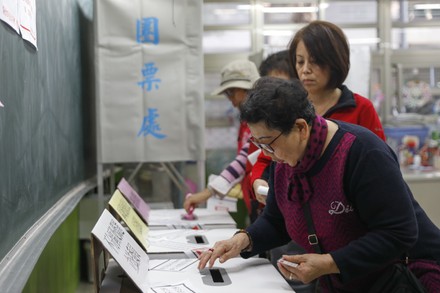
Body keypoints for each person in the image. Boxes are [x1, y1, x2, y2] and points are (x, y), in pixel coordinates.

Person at [198, 76, 440, 292]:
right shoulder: (286, 158)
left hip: (404, 278)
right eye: (258, 144)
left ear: (301, 127)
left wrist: (329, 263)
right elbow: (276, 220)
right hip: (343, 282)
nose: (267, 154)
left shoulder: (362, 153)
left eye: (268, 143)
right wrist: (242, 240)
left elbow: (398, 232)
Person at [251, 20, 386, 205]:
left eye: (315, 62)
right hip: (298, 209)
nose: (305, 69)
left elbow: (380, 165)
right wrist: (258, 180)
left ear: (334, 62)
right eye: (300, 61)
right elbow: (266, 157)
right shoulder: (285, 107)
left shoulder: (361, 108)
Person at [183, 59, 260, 218]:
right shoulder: (248, 120)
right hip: (255, 201)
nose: (231, 101)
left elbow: (244, 159)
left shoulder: (262, 120)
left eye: (231, 92)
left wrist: (207, 192)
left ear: (246, 88)